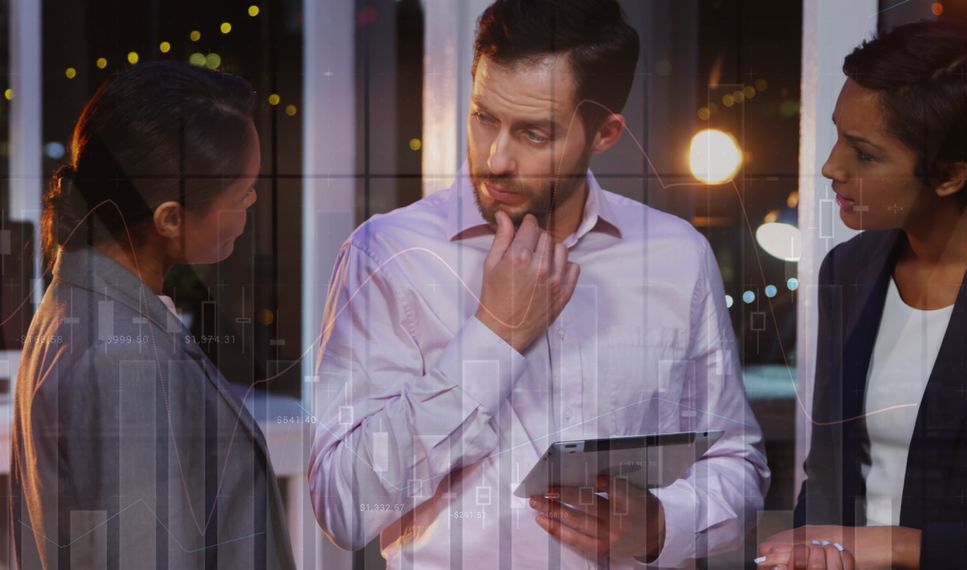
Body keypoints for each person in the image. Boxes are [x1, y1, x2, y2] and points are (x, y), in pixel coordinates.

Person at [308, 0, 770, 567]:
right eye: (484, 118)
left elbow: (738, 462)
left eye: (533, 134)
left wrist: (660, 526)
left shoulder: (676, 256)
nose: (496, 158)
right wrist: (495, 336)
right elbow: (342, 505)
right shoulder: (388, 254)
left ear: (604, 133)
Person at [756, 21, 967, 569]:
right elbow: (830, 468)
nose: (831, 167)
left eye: (864, 154)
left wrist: (900, 547)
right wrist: (809, 549)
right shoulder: (850, 269)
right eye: (838, 135)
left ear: (949, 176)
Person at [11, 61, 295, 569]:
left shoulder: (73, 303)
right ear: (170, 218)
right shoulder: (126, 359)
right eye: (241, 193)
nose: (252, 202)